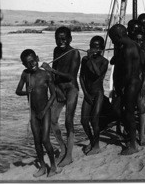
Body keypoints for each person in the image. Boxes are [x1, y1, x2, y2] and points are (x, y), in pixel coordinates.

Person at [16, 49, 60, 177]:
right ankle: (42, 166)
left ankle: (53, 166)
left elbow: (53, 95)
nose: (31, 64)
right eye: (27, 63)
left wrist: (45, 111)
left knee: (45, 139)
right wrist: (26, 92)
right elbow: (18, 91)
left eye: (33, 61)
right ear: (24, 65)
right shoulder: (25, 74)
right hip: (34, 113)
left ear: (37, 58)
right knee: (37, 141)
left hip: (45, 111)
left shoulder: (46, 74)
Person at [41, 27, 80, 167]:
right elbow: (53, 74)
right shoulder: (56, 50)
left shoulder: (74, 53)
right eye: (58, 39)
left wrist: (51, 70)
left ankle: (69, 156)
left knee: (68, 121)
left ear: (70, 39)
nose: (61, 41)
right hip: (59, 89)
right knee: (52, 120)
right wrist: (53, 85)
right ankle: (63, 148)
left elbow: (71, 76)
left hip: (71, 89)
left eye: (64, 39)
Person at [108, 24, 143, 155]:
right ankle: (130, 136)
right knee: (119, 110)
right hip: (130, 83)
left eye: (112, 38)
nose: (112, 41)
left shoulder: (129, 47)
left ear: (118, 36)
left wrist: (121, 87)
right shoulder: (126, 46)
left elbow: (127, 72)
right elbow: (113, 61)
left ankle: (133, 145)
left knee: (128, 112)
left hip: (131, 83)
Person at [79, 36, 109, 155]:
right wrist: (85, 93)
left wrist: (90, 59)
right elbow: (81, 77)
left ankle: (96, 146)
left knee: (94, 120)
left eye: (97, 47)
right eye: (92, 46)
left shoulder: (104, 62)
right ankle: (92, 141)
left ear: (101, 49)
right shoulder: (84, 59)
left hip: (98, 93)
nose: (93, 49)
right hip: (88, 93)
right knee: (84, 121)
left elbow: (97, 74)